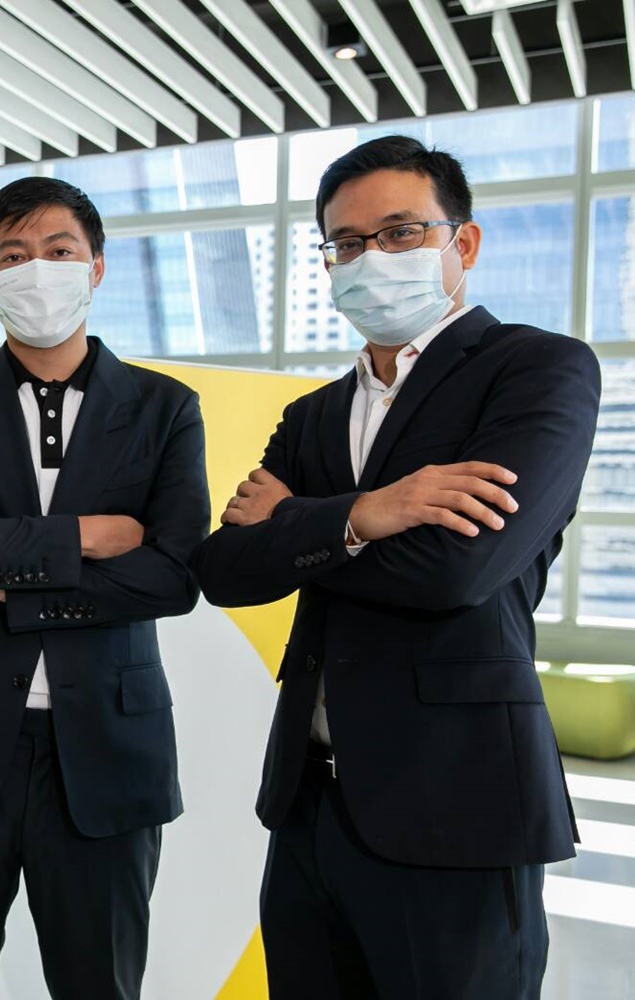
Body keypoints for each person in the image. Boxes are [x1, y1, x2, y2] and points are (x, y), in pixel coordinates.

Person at [191, 135, 602, 998]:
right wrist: (368, 514)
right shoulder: (313, 415)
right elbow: (225, 569)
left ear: (464, 242)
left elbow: (460, 570)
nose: (372, 257)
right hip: (308, 804)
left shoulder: (536, 370)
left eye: (401, 232)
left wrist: (299, 527)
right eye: (347, 242)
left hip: (457, 802)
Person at [0, 176, 209, 999]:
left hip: (107, 753)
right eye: (13, 255)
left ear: (95, 266)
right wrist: (88, 536)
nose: (37, 270)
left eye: (59, 251)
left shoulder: (166, 408)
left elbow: (174, 575)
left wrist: (2, 571)